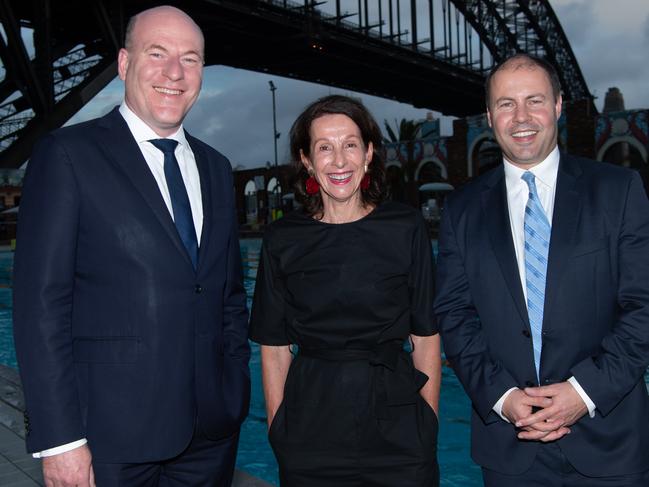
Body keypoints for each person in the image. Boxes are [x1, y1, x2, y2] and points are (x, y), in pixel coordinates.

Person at [13, 6, 250, 486]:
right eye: (157, 53)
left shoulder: (217, 169)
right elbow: (40, 307)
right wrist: (60, 440)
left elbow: (226, 295)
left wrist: (233, 386)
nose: (174, 73)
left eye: (190, 58)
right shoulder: (67, 156)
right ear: (123, 64)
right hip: (108, 440)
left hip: (210, 434)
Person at [435, 52, 649, 486]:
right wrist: (502, 397)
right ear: (489, 117)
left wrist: (583, 392)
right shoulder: (461, 209)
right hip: (510, 447)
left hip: (610, 439)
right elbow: (454, 315)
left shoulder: (618, 191)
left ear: (557, 106)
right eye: (506, 104)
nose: (521, 117)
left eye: (534, 100)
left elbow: (643, 306)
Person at [249, 95, 441, 486]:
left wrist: (428, 424)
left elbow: (425, 335)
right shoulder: (283, 238)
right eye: (325, 148)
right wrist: (278, 429)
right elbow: (273, 347)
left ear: (369, 153)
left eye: (350, 144)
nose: (339, 161)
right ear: (306, 160)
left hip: (400, 426)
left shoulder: (405, 228)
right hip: (309, 426)